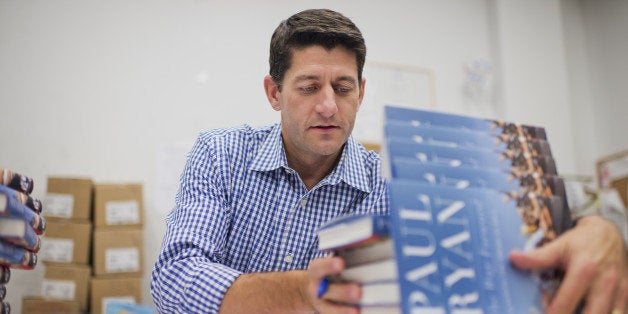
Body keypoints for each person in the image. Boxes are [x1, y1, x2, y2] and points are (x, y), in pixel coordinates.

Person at [151, 8, 627, 314]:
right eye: (308, 87)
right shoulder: (220, 153)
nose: (328, 107)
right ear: (274, 93)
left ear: (361, 92)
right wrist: (298, 294)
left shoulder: (393, 182)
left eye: (343, 87)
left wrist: (599, 232)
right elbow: (173, 277)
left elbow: (506, 237)